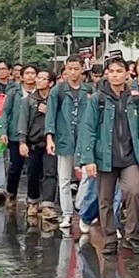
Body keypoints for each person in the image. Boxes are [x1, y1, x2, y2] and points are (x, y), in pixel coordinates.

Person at [77, 56, 139, 255]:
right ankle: (109, 238)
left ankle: (132, 237)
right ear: (107, 74)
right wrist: (89, 159)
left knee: (135, 192)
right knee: (105, 199)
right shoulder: (98, 99)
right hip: (105, 156)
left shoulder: (135, 100)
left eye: (120, 71)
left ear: (128, 74)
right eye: (112, 71)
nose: (116, 75)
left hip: (129, 156)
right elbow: (89, 129)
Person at [45, 55, 93, 228]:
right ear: (65, 70)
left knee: (87, 177)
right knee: (64, 179)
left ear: (82, 70)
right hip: (64, 138)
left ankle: (80, 206)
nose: (73, 72)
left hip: (84, 139)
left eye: (76, 69)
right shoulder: (58, 91)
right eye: (69, 69)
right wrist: (50, 137)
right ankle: (66, 214)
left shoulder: (89, 90)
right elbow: (50, 115)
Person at [17, 69, 57, 218]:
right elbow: (23, 122)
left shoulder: (55, 100)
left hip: (51, 142)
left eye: (42, 78)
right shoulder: (29, 100)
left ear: (51, 83)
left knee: (50, 173)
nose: (38, 80)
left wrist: (50, 112)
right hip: (34, 142)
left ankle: (48, 205)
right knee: (33, 172)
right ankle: (32, 202)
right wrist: (22, 142)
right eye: (38, 78)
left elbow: (61, 120)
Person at [0, 65, 37, 210]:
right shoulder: (14, 93)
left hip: (34, 136)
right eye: (27, 73)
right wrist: (3, 132)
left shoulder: (40, 93)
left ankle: (32, 199)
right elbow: (5, 113)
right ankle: (12, 193)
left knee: (34, 169)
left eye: (33, 73)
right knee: (15, 167)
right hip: (15, 135)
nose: (30, 76)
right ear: (22, 75)